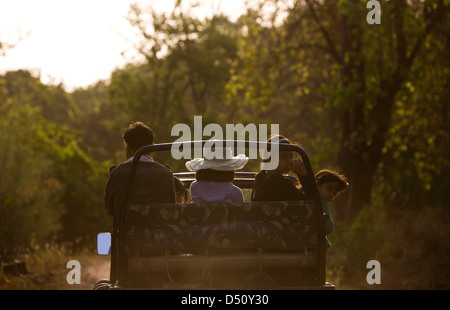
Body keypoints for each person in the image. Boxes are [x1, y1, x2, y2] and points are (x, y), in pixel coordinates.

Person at [104, 121, 175, 215]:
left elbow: (110, 209)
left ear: (128, 149)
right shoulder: (166, 174)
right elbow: (172, 206)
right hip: (159, 228)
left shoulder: (117, 174)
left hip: (127, 229)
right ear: (152, 150)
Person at [251, 135, 316, 202]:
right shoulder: (282, 184)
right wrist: (302, 174)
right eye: (283, 157)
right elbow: (312, 203)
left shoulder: (260, 180)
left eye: (291, 156)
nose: (289, 161)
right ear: (270, 159)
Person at [315, 169, 348, 249]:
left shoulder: (302, 197)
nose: (331, 195)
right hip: (314, 249)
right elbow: (329, 228)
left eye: (335, 193)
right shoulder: (321, 204)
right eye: (329, 189)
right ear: (317, 184)